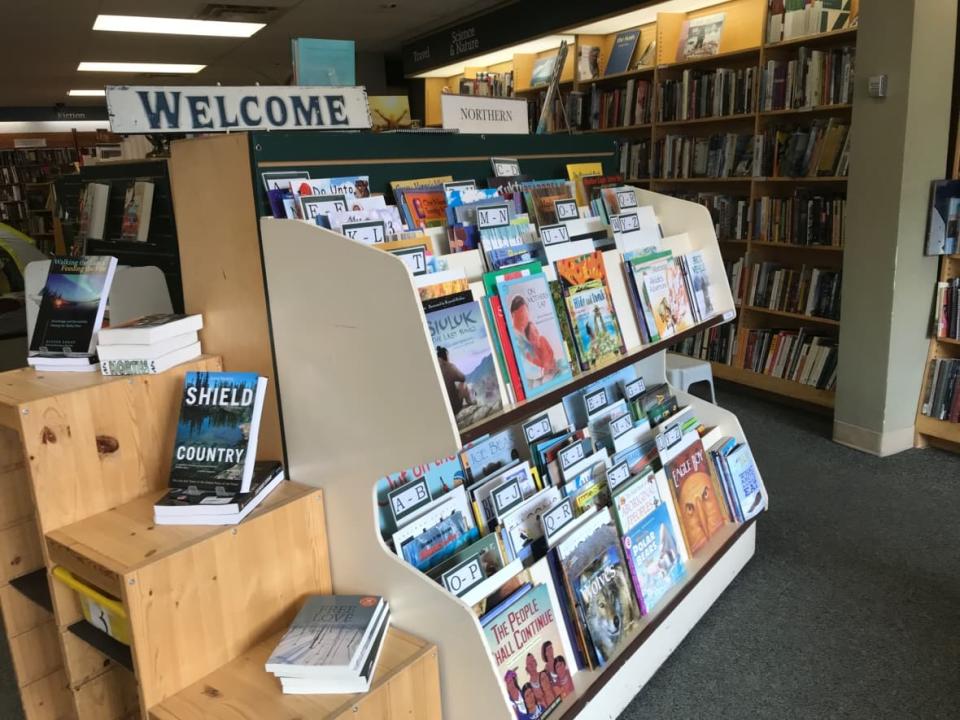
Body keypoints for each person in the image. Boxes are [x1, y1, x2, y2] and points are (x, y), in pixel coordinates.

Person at [436, 346, 474, 414]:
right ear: (446, 356)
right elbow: (462, 378)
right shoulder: (450, 366)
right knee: (464, 385)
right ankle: (470, 403)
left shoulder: (436, 369)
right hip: (454, 408)